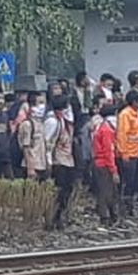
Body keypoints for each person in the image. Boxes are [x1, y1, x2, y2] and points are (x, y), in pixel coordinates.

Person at [47, 96, 77, 229]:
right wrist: (49, 162)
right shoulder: (53, 122)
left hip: (68, 159)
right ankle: (54, 218)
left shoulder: (65, 121)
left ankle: (60, 217)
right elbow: (48, 143)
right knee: (59, 191)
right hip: (58, 160)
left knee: (67, 190)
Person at [117, 90, 138, 217]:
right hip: (129, 154)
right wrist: (124, 153)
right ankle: (125, 207)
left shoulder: (137, 113)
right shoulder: (125, 114)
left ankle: (131, 205)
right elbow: (122, 135)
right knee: (128, 181)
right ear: (134, 102)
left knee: (136, 181)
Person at [92, 104, 120, 226]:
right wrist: (114, 170)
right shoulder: (107, 130)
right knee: (106, 192)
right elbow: (109, 152)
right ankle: (106, 217)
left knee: (107, 190)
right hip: (104, 164)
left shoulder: (101, 127)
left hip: (100, 163)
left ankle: (109, 216)